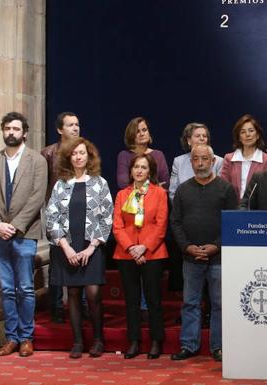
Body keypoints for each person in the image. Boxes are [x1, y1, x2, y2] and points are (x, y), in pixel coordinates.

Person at [0, 112, 47, 357]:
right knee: (7, 289)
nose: (11, 132)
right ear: (3, 131)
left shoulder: (37, 160)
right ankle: (11, 337)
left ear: (25, 133)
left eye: (16, 129)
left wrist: (15, 225)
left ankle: (26, 338)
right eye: (7, 128)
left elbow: (37, 197)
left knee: (26, 289)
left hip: (25, 233)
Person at [46, 137, 113, 359]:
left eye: (82, 153)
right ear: (68, 157)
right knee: (73, 293)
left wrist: (91, 247)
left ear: (89, 156)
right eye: (74, 153)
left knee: (93, 293)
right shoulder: (60, 184)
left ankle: (98, 340)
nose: (78, 156)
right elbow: (51, 218)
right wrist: (66, 247)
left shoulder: (99, 183)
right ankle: (77, 342)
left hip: (91, 247)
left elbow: (106, 218)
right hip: (67, 247)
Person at [170, 144, 238, 362]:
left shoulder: (226, 189)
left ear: (212, 161)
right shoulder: (182, 190)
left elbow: (231, 223)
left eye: (204, 159)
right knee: (190, 302)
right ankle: (188, 345)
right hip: (190, 257)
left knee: (219, 304)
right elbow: (176, 222)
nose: (200, 163)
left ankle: (218, 347)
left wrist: (215, 246)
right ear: (191, 163)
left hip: (218, 257)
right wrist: (187, 247)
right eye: (196, 159)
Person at [112, 153, 169, 360]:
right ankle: (134, 341)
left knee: (153, 300)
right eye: (136, 167)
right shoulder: (121, 195)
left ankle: (156, 340)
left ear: (150, 172)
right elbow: (117, 227)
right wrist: (131, 248)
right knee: (132, 301)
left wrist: (144, 247)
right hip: (126, 254)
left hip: (152, 253)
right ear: (131, 170)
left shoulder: (159, 193)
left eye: (143, 167)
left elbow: (161, 225)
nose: (139, 171)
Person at [42, 111, 81, 323]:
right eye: (70, 125)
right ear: (59, 129)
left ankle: (81, 305)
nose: (75, 128)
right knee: (57, 259)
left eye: (77, 125)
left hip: (81, 214)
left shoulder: (85, 151)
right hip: (57, 214)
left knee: (82, 258)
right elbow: (41, 186)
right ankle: (56, 306)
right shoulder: (48, 153)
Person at [168, 122, 223, 202]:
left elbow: (221, 191)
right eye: (197, 136)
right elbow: (173, 193)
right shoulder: (178, 162)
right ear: (189, 141)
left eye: (204, 136)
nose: (202, 138)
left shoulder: (218, 161)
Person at [221, 114, 267, 200]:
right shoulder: (229, 159)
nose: (247, 135)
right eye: (243, 132)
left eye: (251, 131)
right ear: (239, 137)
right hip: (233, 207)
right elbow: (223, 186)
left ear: (258, 135)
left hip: (256, 209)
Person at [116, 117, 169, 189]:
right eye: (137, 131)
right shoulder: (124, 155)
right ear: (131, 135)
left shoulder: (158, 155)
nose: (142, 134)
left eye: (144, 130)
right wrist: (153, 189)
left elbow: (165, 183)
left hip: (155, 198)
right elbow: (123, 183)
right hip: (131, 198)